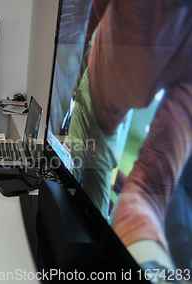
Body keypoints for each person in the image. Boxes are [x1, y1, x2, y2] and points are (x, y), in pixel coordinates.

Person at [64, 0, 192, 271]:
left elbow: (149, 186)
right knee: (69, 192)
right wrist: (73, 77)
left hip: (113, 125)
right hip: (90, 97)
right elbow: (91, 15)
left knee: (95, 217)